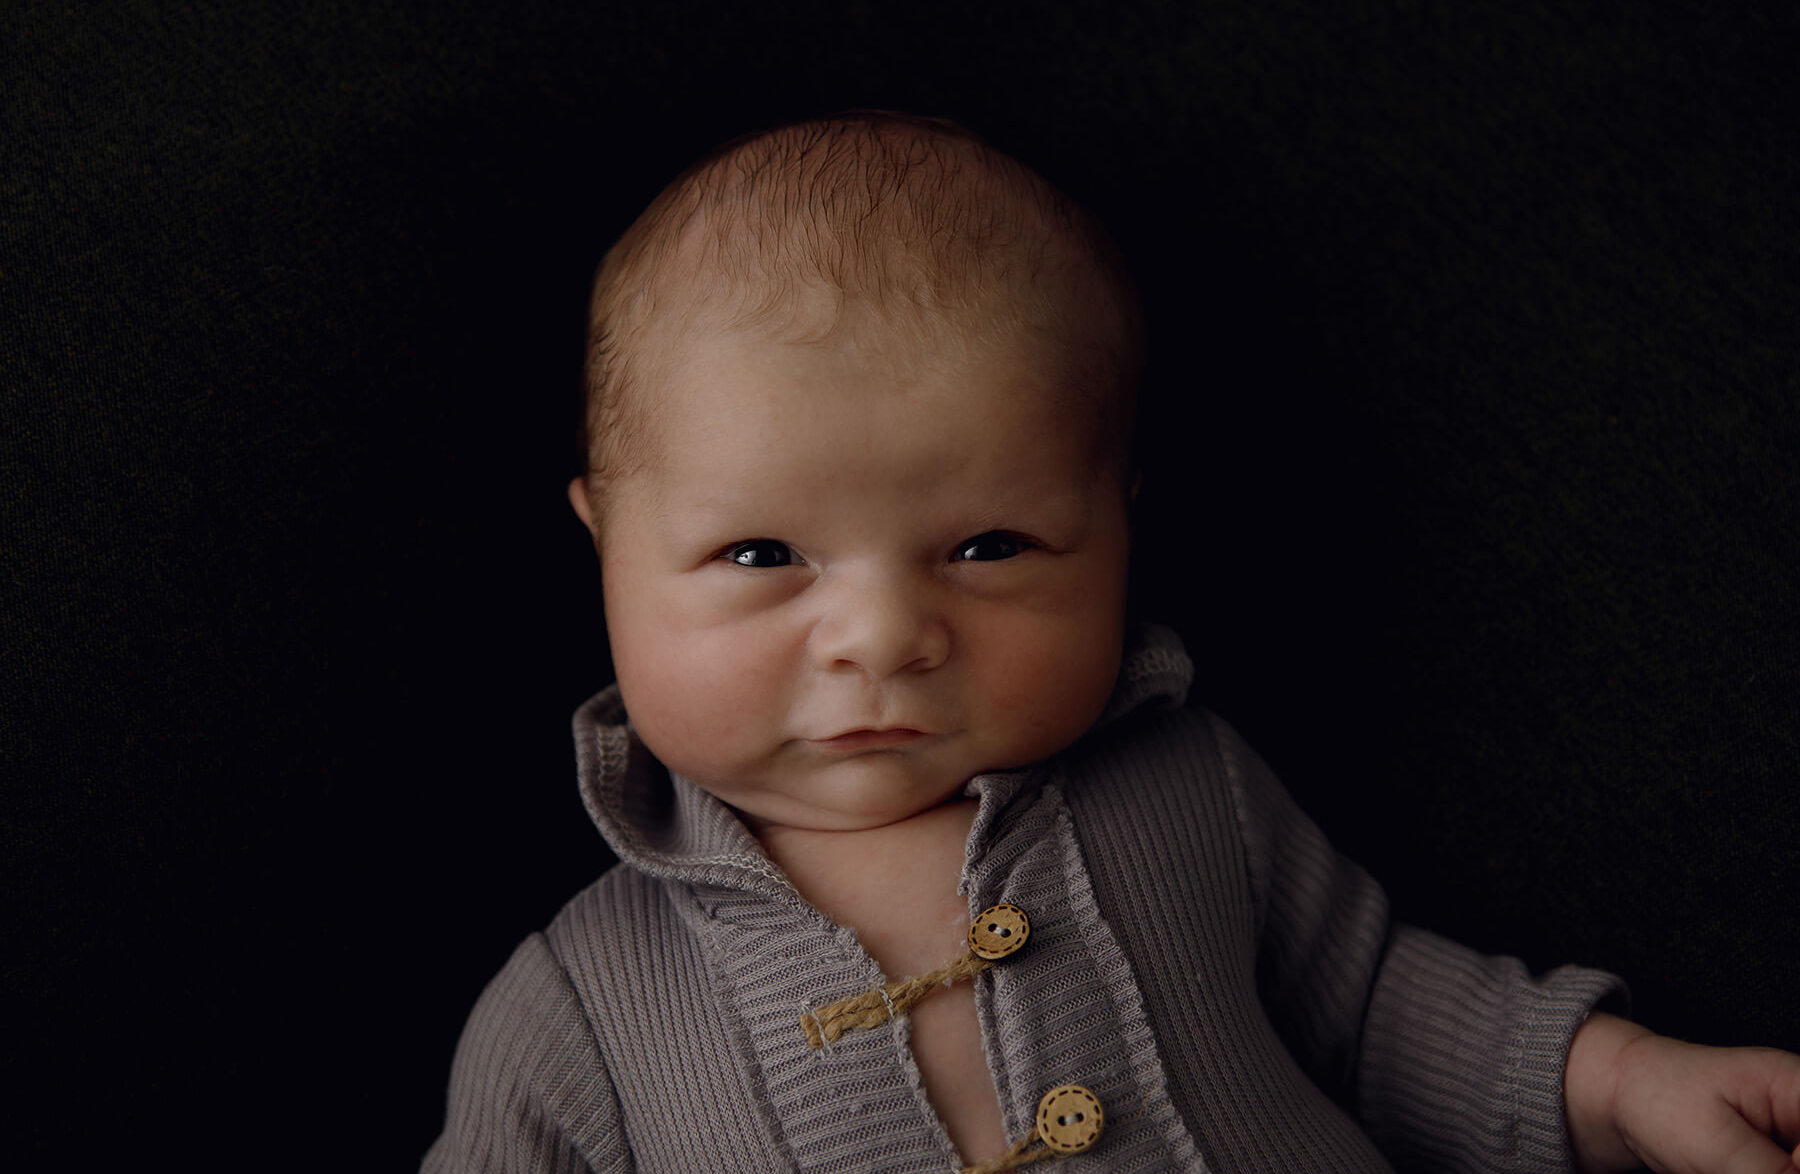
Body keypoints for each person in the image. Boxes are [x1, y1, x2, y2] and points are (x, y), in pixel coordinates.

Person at [423, 112, 1800, 1173]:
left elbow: (1385, 1012)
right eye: (761, 556)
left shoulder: (1189, 793)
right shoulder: (583, 1006)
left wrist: (1626, 1086)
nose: (887, 636)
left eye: (989, 547)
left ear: (1118, 525)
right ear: (604, 545)